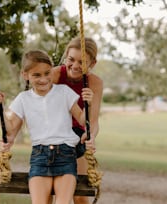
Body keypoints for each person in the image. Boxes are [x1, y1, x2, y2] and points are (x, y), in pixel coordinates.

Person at [0, 50, 94, 204]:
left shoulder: (64, 92)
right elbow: (10, 129)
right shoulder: (23, 99)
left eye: (47, 73)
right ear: (25, 75)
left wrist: (88, 103)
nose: (44, 79)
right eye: (37, 75)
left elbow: (81, 118)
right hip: (40, 157)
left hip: (66, 156)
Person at [52, 37, 103, 204]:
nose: (74, 66)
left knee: (80, 194)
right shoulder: (55, 75)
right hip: (53, 133)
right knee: (55, 191)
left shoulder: (94, 83)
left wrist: (91, 135)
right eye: (71, 59)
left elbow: (93, 121)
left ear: (92, 63)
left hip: (77, 134)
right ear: (66, 56)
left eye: (82, 62)